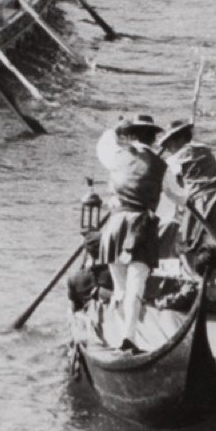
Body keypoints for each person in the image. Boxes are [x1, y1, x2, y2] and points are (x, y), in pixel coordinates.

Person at [95, 113, 166, 351]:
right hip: (140, 228)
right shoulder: (161, 166)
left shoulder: (115, 155)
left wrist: (116, 129)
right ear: (154, 139)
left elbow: (104, 142)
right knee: (136, 288)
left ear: (131, 135)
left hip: (114, 227)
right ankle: (129, 338)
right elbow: (179, 195)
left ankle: (124, 335)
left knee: (121, 289)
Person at [155, 119, 216, 266]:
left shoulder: (179, 156)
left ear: (180, 138)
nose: (168, 148)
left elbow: (167, 182)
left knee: (189, 245)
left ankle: (199, 279)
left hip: (206, 203)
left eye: (170, 143)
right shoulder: (204, 150)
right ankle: (214, 275)